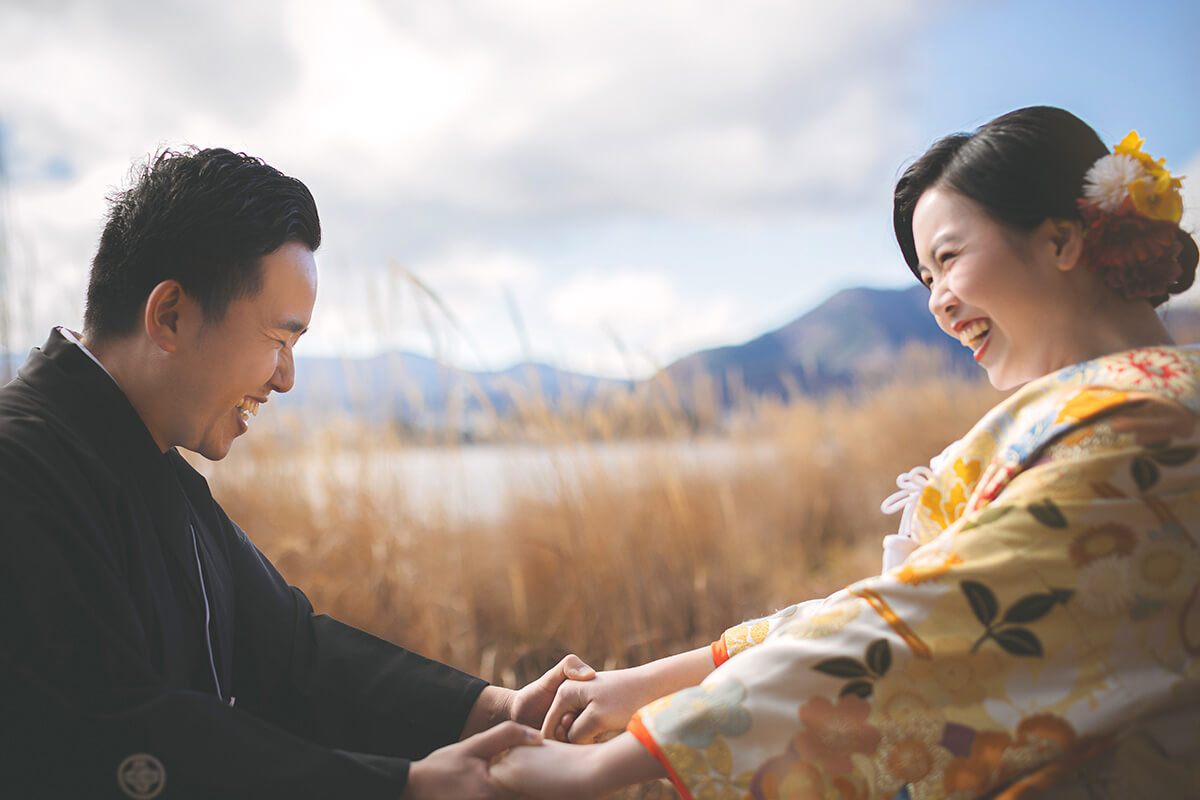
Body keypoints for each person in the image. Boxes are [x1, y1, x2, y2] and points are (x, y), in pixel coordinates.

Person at [490, 106, 1200, 798]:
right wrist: (647, 685)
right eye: (926, 278)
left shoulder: (1144, 422)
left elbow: (932, 629)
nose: (938, 303)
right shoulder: (1133, 408)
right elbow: (896, 609)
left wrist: (605, 768)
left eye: (949, 258)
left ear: (1061, 241)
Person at [0, 147, 593, 799]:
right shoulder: (20, 471)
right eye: (279, 341)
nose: (285, 378)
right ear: (169, 315)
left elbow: (292, 655)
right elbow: (116, 734)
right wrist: (405, 787)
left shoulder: (154, 465)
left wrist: (495, 710)